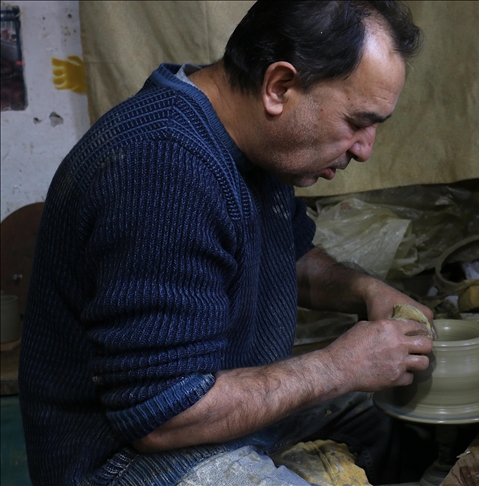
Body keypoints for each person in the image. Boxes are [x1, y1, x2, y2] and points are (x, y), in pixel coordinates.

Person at [18, 2, 439, 484]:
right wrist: (339, 367)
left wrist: (362, 291)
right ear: (279, 87)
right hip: (122, 458)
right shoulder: (163, 167)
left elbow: (289, 259)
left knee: (406, 419)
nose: (365, 150)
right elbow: (160, 413)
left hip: (217, 412)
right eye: (357, 122)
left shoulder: (257, 140)